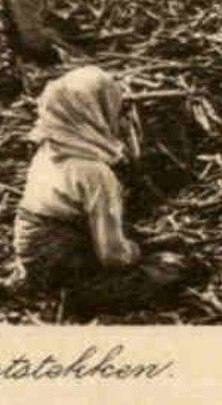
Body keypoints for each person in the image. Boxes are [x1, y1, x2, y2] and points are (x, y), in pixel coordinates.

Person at [11, 66, 143, 292]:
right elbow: (113, 257)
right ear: (97, 112)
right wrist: (136, 251)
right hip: (64, 268)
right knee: (172, 266)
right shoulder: (95, 173)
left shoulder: (46, 153)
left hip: (31, 259)